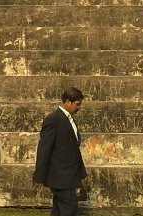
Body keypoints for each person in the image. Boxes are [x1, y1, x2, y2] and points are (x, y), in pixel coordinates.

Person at [33, 87, 88, 216]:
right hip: (60, 176)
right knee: (70, 206)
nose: (78, 108)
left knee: (59, 210)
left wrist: (82, 172)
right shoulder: (53, 119)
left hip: (69, 175)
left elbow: (73, 149)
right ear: (68, 102)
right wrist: (39, 176)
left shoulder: (70, 120)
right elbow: (44, 149)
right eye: (77, 104)